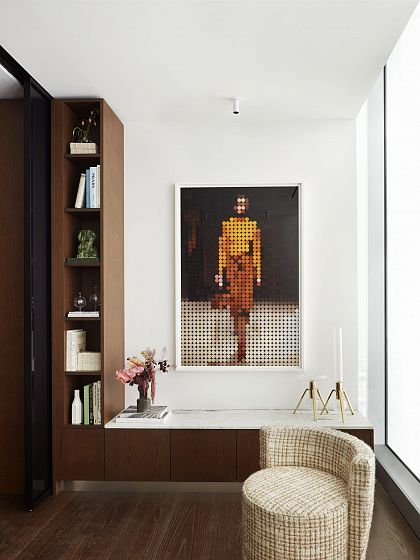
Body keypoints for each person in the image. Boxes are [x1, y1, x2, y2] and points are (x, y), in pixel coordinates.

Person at [213, 195, 262, 363]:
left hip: (246, 268)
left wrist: (258, 273)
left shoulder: (252, 225)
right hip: (232, 267)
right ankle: (240, 348)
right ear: (234, 206)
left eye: (243, 205)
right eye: (238, 204)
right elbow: (222, 249)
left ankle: (242, 348)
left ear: (247, 207)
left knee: (244, 308)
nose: (241, 207)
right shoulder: (227, 225)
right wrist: (220, 272)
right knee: (235, 309)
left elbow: (256, 250)